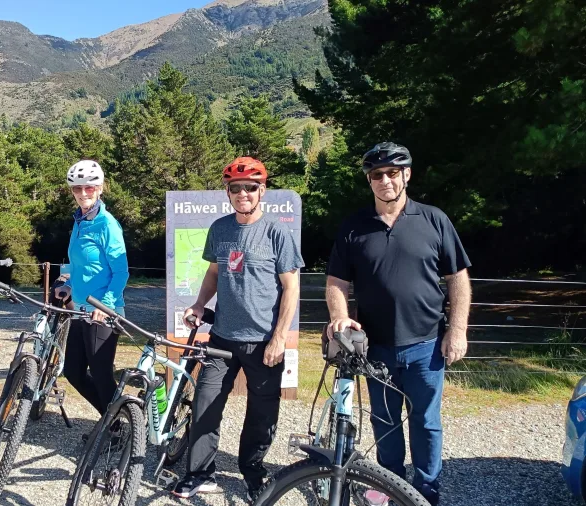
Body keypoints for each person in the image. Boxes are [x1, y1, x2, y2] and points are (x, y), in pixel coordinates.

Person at [325, 142, 472, 505]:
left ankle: (425, 492)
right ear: (369, 181)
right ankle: (389, 487)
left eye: (393, 172)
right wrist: (339, 317)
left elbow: (458, 277)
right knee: (385, 424)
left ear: (406, 174)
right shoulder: (354, 227)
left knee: (425, 422)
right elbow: (336, 282)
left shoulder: (434, 219)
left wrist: (457, 329)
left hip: (426, 344)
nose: (385, 180)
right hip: (375, 346)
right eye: (377, 174)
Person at [172, 157, 303, 501]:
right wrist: (200, 304)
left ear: (262, 191)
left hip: (264, 342)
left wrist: (279, 338)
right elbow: (215, 273)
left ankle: (254, 474)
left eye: (250, 187)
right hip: (222, 338)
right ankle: (200, 473)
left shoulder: (277, 232)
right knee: (205, 403)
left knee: (261, 415)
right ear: (227, 192)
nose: (243, 193)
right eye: (236, 187)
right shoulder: (220, 228)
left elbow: (291, 287)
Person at [53, 160, 129, 420]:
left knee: (101, 373)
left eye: (89, 188)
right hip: (80, 311)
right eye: (77, 189)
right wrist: (68, 285)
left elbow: (121, 271)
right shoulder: (80, 221)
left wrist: (105, 305)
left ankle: (117, 428)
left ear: (100, 188)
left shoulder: (107, 224)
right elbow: (81, 265)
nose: (83, 193)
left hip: (103, 311)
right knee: (73, 371)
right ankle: (114, 421)